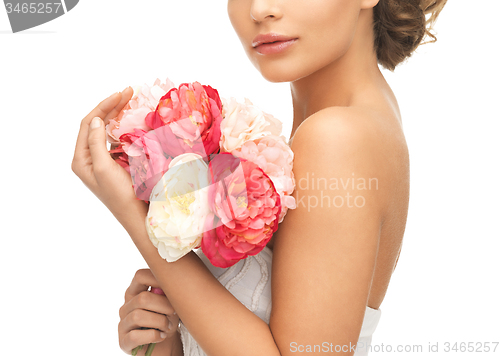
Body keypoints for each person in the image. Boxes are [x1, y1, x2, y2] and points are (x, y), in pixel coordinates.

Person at [72, 0, 447, 355]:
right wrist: (170, 339)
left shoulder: (338, 137)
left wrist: (134, 217)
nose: (259, 9)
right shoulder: (333, 128)